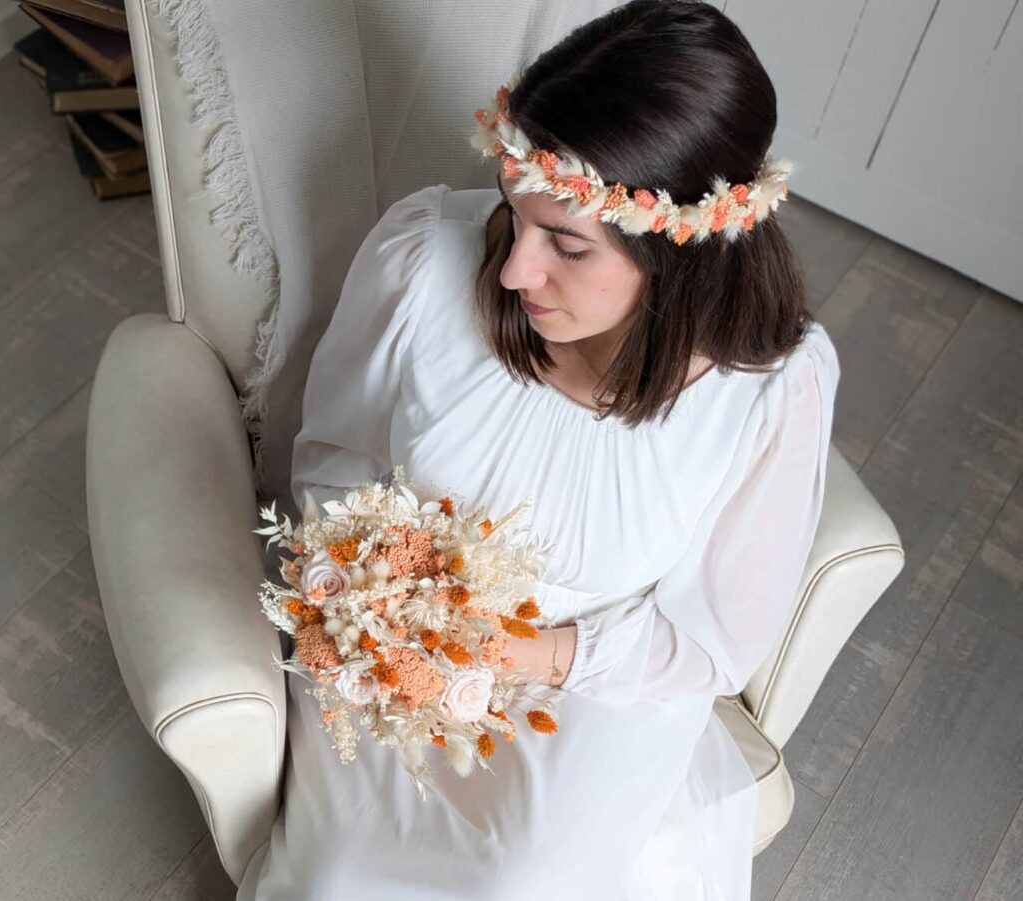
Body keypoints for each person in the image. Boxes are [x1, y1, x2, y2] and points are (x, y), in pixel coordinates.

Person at [238, 2, 839, 898]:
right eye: (516, 217)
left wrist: (521, 656)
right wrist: (376, 593)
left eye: (566, 244)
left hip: (596, 688)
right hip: (389, 652)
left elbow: (712, 638)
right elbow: (335, 451)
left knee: (520, 876)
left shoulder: (768, 395)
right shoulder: (421, 265)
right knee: (338, 869)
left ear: (681, 261)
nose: (516, 271)